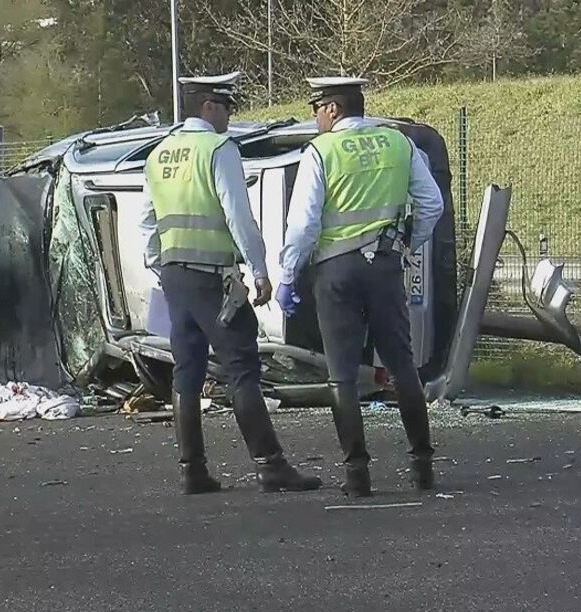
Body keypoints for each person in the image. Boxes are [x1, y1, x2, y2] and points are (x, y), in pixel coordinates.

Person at [139, 71, 321, 495]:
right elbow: (238, 215)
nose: (228, 116)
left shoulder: (159, 153)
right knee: (241, 368)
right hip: (213, 278)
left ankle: (192, 470)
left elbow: (148, 220)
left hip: (174, 274)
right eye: (225, 107)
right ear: (208, 106)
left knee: (186, 368)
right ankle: (270, 464)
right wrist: (259, 269)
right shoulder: (219, 149)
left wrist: (159, 265)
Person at [276, 77, 444, 497]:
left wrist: (287, 275)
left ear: (332, 110)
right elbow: (431, 204)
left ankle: (357, 474)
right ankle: (422, 465)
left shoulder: (321, 151)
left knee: (343, 376)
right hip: (385, 267)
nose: (316, 118)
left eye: (317, 108)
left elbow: (303, 225)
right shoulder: (398, 143)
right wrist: (406, 244)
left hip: (336, 274)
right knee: (402, 366)